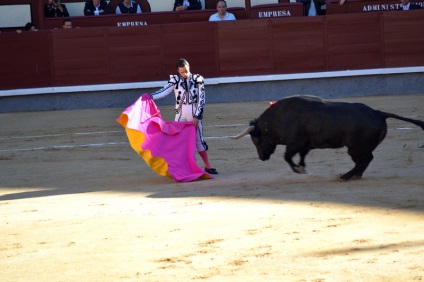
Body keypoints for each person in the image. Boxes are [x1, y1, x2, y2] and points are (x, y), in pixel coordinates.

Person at [149, 58, 218, 175]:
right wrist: (150, 96)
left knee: (199, 141)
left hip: (194, 115)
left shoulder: (198, 79)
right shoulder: (175, 80)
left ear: (189, 67)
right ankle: (179, 168)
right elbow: (164, 91)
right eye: (182, 72)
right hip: (180, 115)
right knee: (178, 142)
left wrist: (197, 116)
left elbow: (201, 99)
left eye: (186, 71)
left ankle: (208, 166)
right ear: (178, 71)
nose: (185, 74)